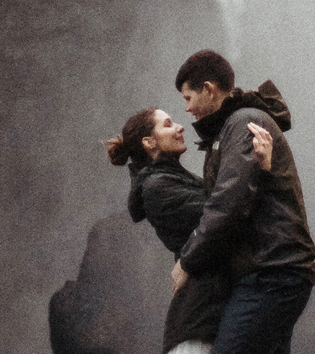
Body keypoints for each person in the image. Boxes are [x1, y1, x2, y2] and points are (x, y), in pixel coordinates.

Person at [170, 49, 315, 354]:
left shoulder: (243, 123)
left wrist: (188, 260)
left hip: (272, 271)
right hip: (273, 269)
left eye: (188, 98)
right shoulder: (231, 127)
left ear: (209, 89)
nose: (186, 110)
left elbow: (228, 201)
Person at [104, 104, 274, 353]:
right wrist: (264, 170)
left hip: (211, 314)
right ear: (149, 143)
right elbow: (224, 220)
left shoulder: (173, 179)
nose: (180, 127)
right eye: (168, 124)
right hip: (199, 324)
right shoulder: (157, 188)